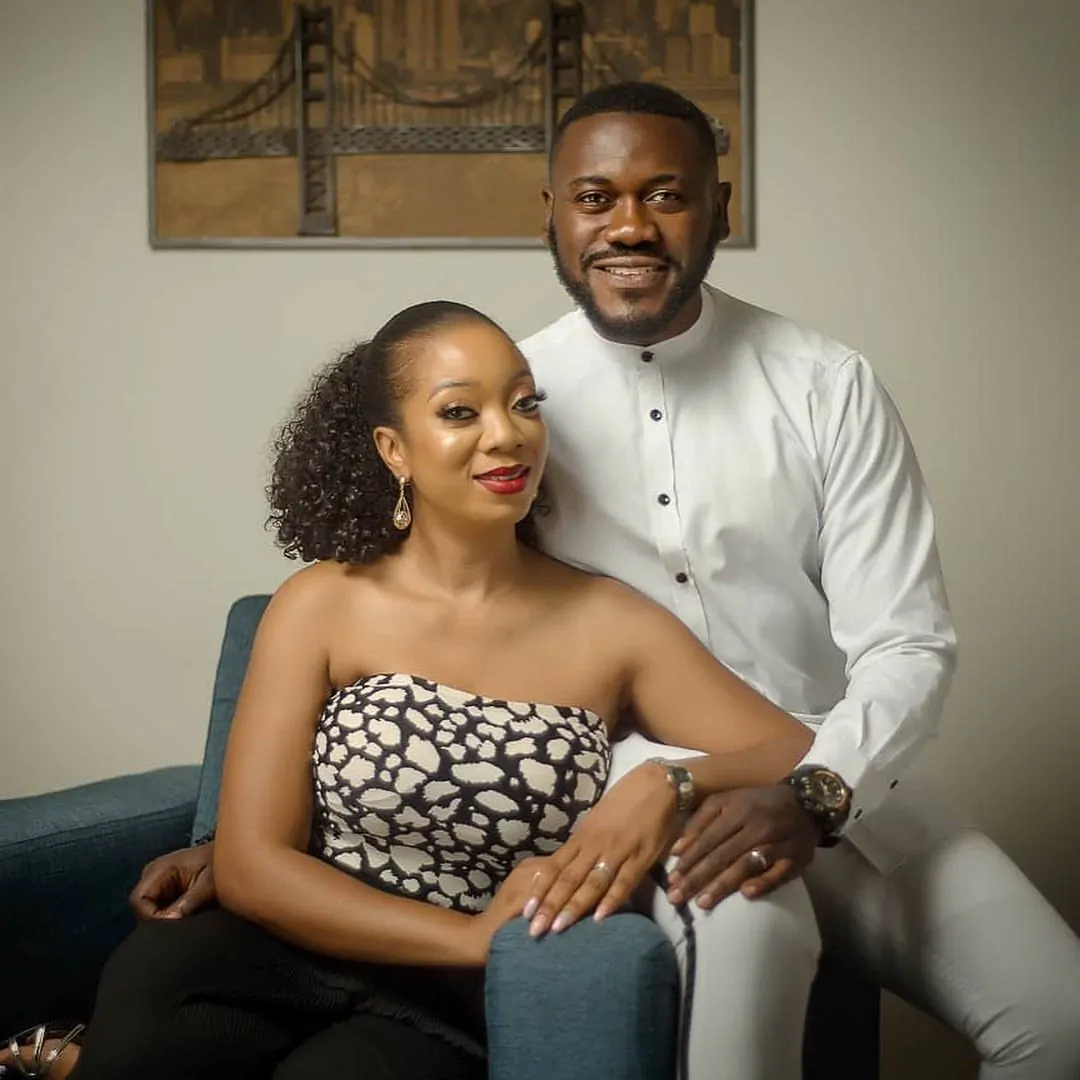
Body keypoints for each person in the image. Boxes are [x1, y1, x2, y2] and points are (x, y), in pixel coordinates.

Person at [21, 81, 1080, 1077]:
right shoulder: (512, 384)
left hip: (830, 761)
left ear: (718, 206)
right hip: (635, 806)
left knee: (1059, 1015)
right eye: (596, 198)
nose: (630, 226)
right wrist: (255, 844)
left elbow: (906, 646)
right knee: (747, 971)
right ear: (554, 218)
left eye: (666, 195)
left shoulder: (825, 387)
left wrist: (809, 786)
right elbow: (436, 609)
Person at [7, 299, 821, 1079]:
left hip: (436, 1006)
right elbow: (253, 866)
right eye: (461, 412)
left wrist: (669, 782)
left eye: (525, 404)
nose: (507, 435)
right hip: (265, 952)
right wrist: (472, 939)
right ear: (393, 450)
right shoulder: (321, 603)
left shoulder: (613, 625)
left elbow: (796, 746)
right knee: (147, 1047)